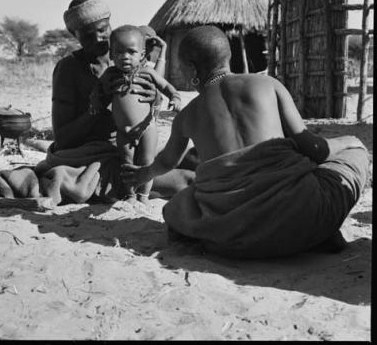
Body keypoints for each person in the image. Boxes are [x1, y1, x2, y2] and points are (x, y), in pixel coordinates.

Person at [122, 25, 370, 259]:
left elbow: (166, 161)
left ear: (192, 69)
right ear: (227, 57)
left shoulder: (187, 116)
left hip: (233, 238)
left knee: (179, 206)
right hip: (302, 220)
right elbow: (315, 149)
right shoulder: (267, 85)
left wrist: (143, 174)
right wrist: (349, 141)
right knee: (355, 155)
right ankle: (322, 234)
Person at [0, 0, 194, 207]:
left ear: (110, 22)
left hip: (130, 145)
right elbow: (64, 139)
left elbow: (153, 98)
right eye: (87, 35)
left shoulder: (125, 56)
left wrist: (154, 99)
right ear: (74, 35)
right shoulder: (69, 70)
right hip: (92, 158)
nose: (99, 39)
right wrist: (99, 106)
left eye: (103, 30)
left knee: (195, 160)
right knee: (186, 180)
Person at [90, 25, 182, 204]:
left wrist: (175, 98)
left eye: (131, 52)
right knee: (127, 163)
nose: (125, 57)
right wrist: (94, 101)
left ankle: (144, 196)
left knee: (147, 162)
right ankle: (130, 195)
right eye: (119, 52)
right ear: (111, 54)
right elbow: (97, 89)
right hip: (123, 131)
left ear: (141, 54)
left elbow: (166, 87)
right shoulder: (110, 74)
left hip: (146, 128)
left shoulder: (147, 72)